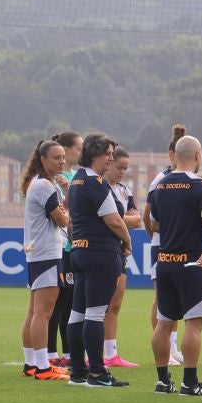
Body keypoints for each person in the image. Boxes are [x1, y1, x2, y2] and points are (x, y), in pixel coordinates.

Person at [147, 135, 202, 397]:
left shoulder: (159, 186)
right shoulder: (201, 187)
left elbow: (153, 223)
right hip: (192, 263)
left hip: (164, 261)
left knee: (164, 323)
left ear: (175, 155)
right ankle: (190, 382)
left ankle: (162, 381)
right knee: (193, 324)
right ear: (198, 155)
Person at [65, 133, 131, 387]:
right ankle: (96, 373)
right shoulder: (96, 182)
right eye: (108, 154)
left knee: (78, 313)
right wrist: (127, 241)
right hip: (100, 252)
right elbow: (114, 220)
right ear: (94, 154)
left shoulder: (77, 180)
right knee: (95, 313)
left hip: (80, 250)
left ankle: (78, 371)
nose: (111, 159)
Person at [20, 139, 70, 380]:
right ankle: (42, 367)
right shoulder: (44, 185)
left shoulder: (40, 183)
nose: (62, 162)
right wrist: (67, 210)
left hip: (39, 253)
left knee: (34, 311)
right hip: (47, 253)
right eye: (56, 158)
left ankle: (31, 363)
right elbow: (62, 220)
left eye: (63, 157)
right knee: (43, 313)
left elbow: (60, 213)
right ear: (43, 160)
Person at [141, 125, 188, 367]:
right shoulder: (160, 180)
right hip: (162, 247)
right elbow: (147, 217)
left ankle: (173, 347)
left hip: (178, 247)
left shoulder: (188, 180)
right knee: (161, 299)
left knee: (175, 299)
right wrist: (159, 239)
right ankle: (164, 350)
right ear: (172, 155)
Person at [102, 147, 142, 369]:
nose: (122, 172)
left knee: (115, 304)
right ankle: (91, 354)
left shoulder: (125, 191)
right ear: (109, 164)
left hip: (120, 252)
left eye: (126, 168)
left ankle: (111, 354)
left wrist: (118, 218)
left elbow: (137, 220)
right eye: (119, 167)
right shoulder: (99, 188)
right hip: (103, 251)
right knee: (98, 306)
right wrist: (121, 218)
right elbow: (107, 220)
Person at [45, 131, 81, 366]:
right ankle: (50, 354)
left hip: (74, 247)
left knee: (70, 302)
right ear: (67, 151)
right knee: (57, 303)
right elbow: (64, 210)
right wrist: (69, 191)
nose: (81, 152)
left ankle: (68, 354)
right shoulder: (59, 178)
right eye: (79, 148)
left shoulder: (76, 175)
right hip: (62, 247)